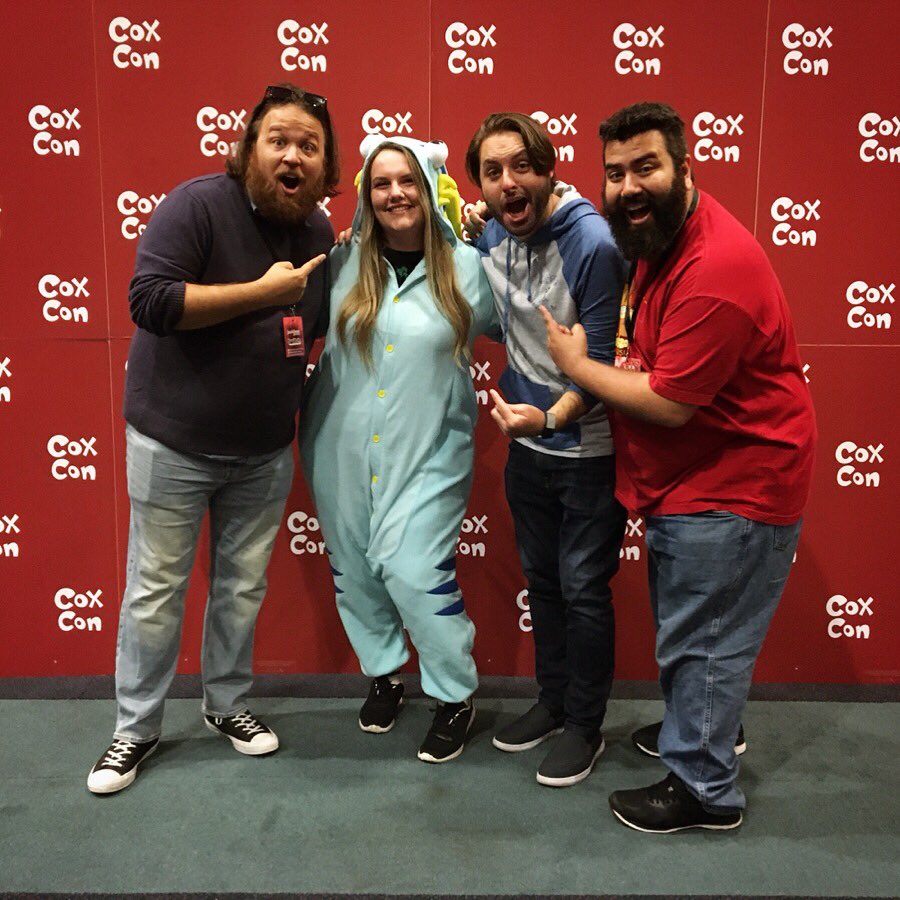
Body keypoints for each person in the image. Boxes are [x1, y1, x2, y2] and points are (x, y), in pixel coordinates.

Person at [541, 101, 816, 831]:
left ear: (685, 168)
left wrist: (575, 365)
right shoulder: (658, 234)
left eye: (647, 168)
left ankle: (704, 790)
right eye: (616, 173)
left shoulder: (714, 266)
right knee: (698, 636)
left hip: (733, 487)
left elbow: (668, 404)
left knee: (705, 641)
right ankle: (706, 729)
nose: (629, 187)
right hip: (692, 482)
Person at [86, 83, 338, 794]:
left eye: (309, 146)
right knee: (155, 592)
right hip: (172, 446)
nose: (293, 156)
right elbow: (151, 301)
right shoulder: (195, 206)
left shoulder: (319, 233)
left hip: (263, 452)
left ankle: (226, 704)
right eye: (278, 140)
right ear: (249, 148)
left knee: (241, 589)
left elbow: (314, 328)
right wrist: (262, 293)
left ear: (325, 165)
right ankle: (135, 728)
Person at [299, 135, 495, 763]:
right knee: (355, 573)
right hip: (337, 446)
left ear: (430, 188)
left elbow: (532, 317)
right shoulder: (341, 261)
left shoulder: (471, 267)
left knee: (414, 573)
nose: (395, 194)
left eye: (408, 180)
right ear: (366, 193)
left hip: (431, 449)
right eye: (381, 183)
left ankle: (453, 694)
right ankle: (384, 674)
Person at [464, 113, 627, 787]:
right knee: (546, 585)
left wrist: (552, 418)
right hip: (527, 450)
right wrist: (473, 224)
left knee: (584, 592)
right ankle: (553, 703)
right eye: (493, 172)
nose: (509, 182)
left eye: (522, 166)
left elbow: (604, 365)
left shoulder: (593, 243)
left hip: (586, 452)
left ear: (550, 170)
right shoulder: (493, 232)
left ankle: (585, 725)